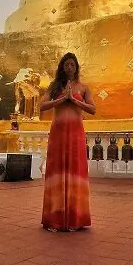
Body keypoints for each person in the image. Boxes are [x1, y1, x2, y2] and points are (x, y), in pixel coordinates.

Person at [40, 52, 96, 232]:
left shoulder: (84, 87)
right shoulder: (54, 87)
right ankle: (54, 218)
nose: (69, 68)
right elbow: (42, 106)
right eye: (66, 65)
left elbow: (93, 109)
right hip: (58, 134)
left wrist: (74, 101)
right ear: (62, 68)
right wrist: (62, 99)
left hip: (75, 136)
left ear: (76, 67)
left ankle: (75, 218)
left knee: (75, 171)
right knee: (56, 171)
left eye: (72, 65)